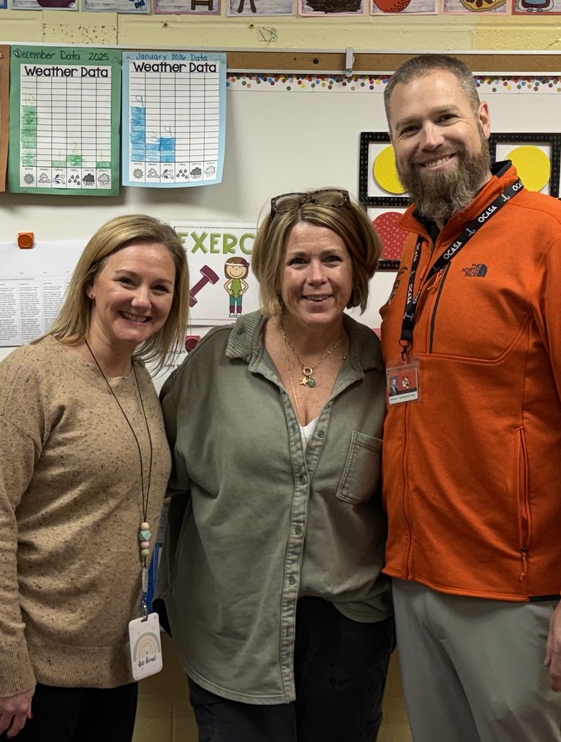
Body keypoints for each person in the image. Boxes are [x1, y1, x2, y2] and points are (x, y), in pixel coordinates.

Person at [379, 54, 561, 741]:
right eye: (409, 128)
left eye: (445, 117)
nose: (430, 139)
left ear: (483, 119)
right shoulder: (414, 250)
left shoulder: (557, 238)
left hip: (515, 594)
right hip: (417, 582)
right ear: (393, 146)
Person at [155, 188, 394, 742]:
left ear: (356, 270)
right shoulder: (215, 363)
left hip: (347, 635)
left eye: (332, 260)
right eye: (298, 261)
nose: (317, 277)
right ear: (270, 270)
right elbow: (153, 475)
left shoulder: (387, 372)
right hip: (231, 627)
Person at [0, 215, 189, 742]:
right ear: (90, 283)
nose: (142, 300)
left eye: (160, 287)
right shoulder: (30, 375)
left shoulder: (138, 377)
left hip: (112, 662)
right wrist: (9, 663)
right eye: (126, 281)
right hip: (29, 667)